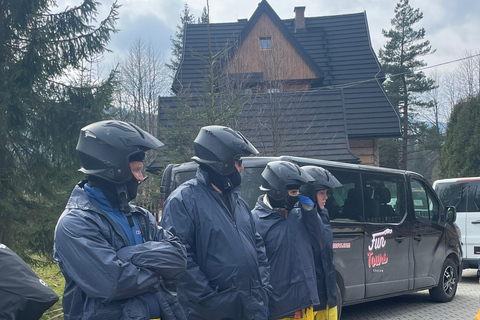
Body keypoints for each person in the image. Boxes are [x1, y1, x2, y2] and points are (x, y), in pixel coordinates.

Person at [54, 120, 187, 320]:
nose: (141, 178)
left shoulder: (141, 216)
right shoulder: (75, 224)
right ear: (113, 170)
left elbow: (178, 257)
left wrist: (126, 255)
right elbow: (113, 283)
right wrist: (158, 272)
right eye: (136, 170)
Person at [161, 125, 271, 320]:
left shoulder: (240, 203)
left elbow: (258, 247)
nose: (242, 167)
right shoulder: (183, 200)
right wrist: (213, 301)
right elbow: (180, 261)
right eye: (238, 161)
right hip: (210, 313)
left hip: (252, 308)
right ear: (222, 163)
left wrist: (263, 287)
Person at [251, 160, 327, 320]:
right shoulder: (255, 221)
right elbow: (253, 268)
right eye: (293, 193)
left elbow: (320, 243)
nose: (298, 196)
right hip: (280, 310)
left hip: (305, 303)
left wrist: (311, 214)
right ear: (278, 192)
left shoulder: (300, 214)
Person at [300, 165, 342, 320]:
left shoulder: (323, 215)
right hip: (310, 298)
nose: (326, 197)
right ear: (310, 194)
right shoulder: (297, 218)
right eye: (321, 193)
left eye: (326, 193)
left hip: (328, 294)